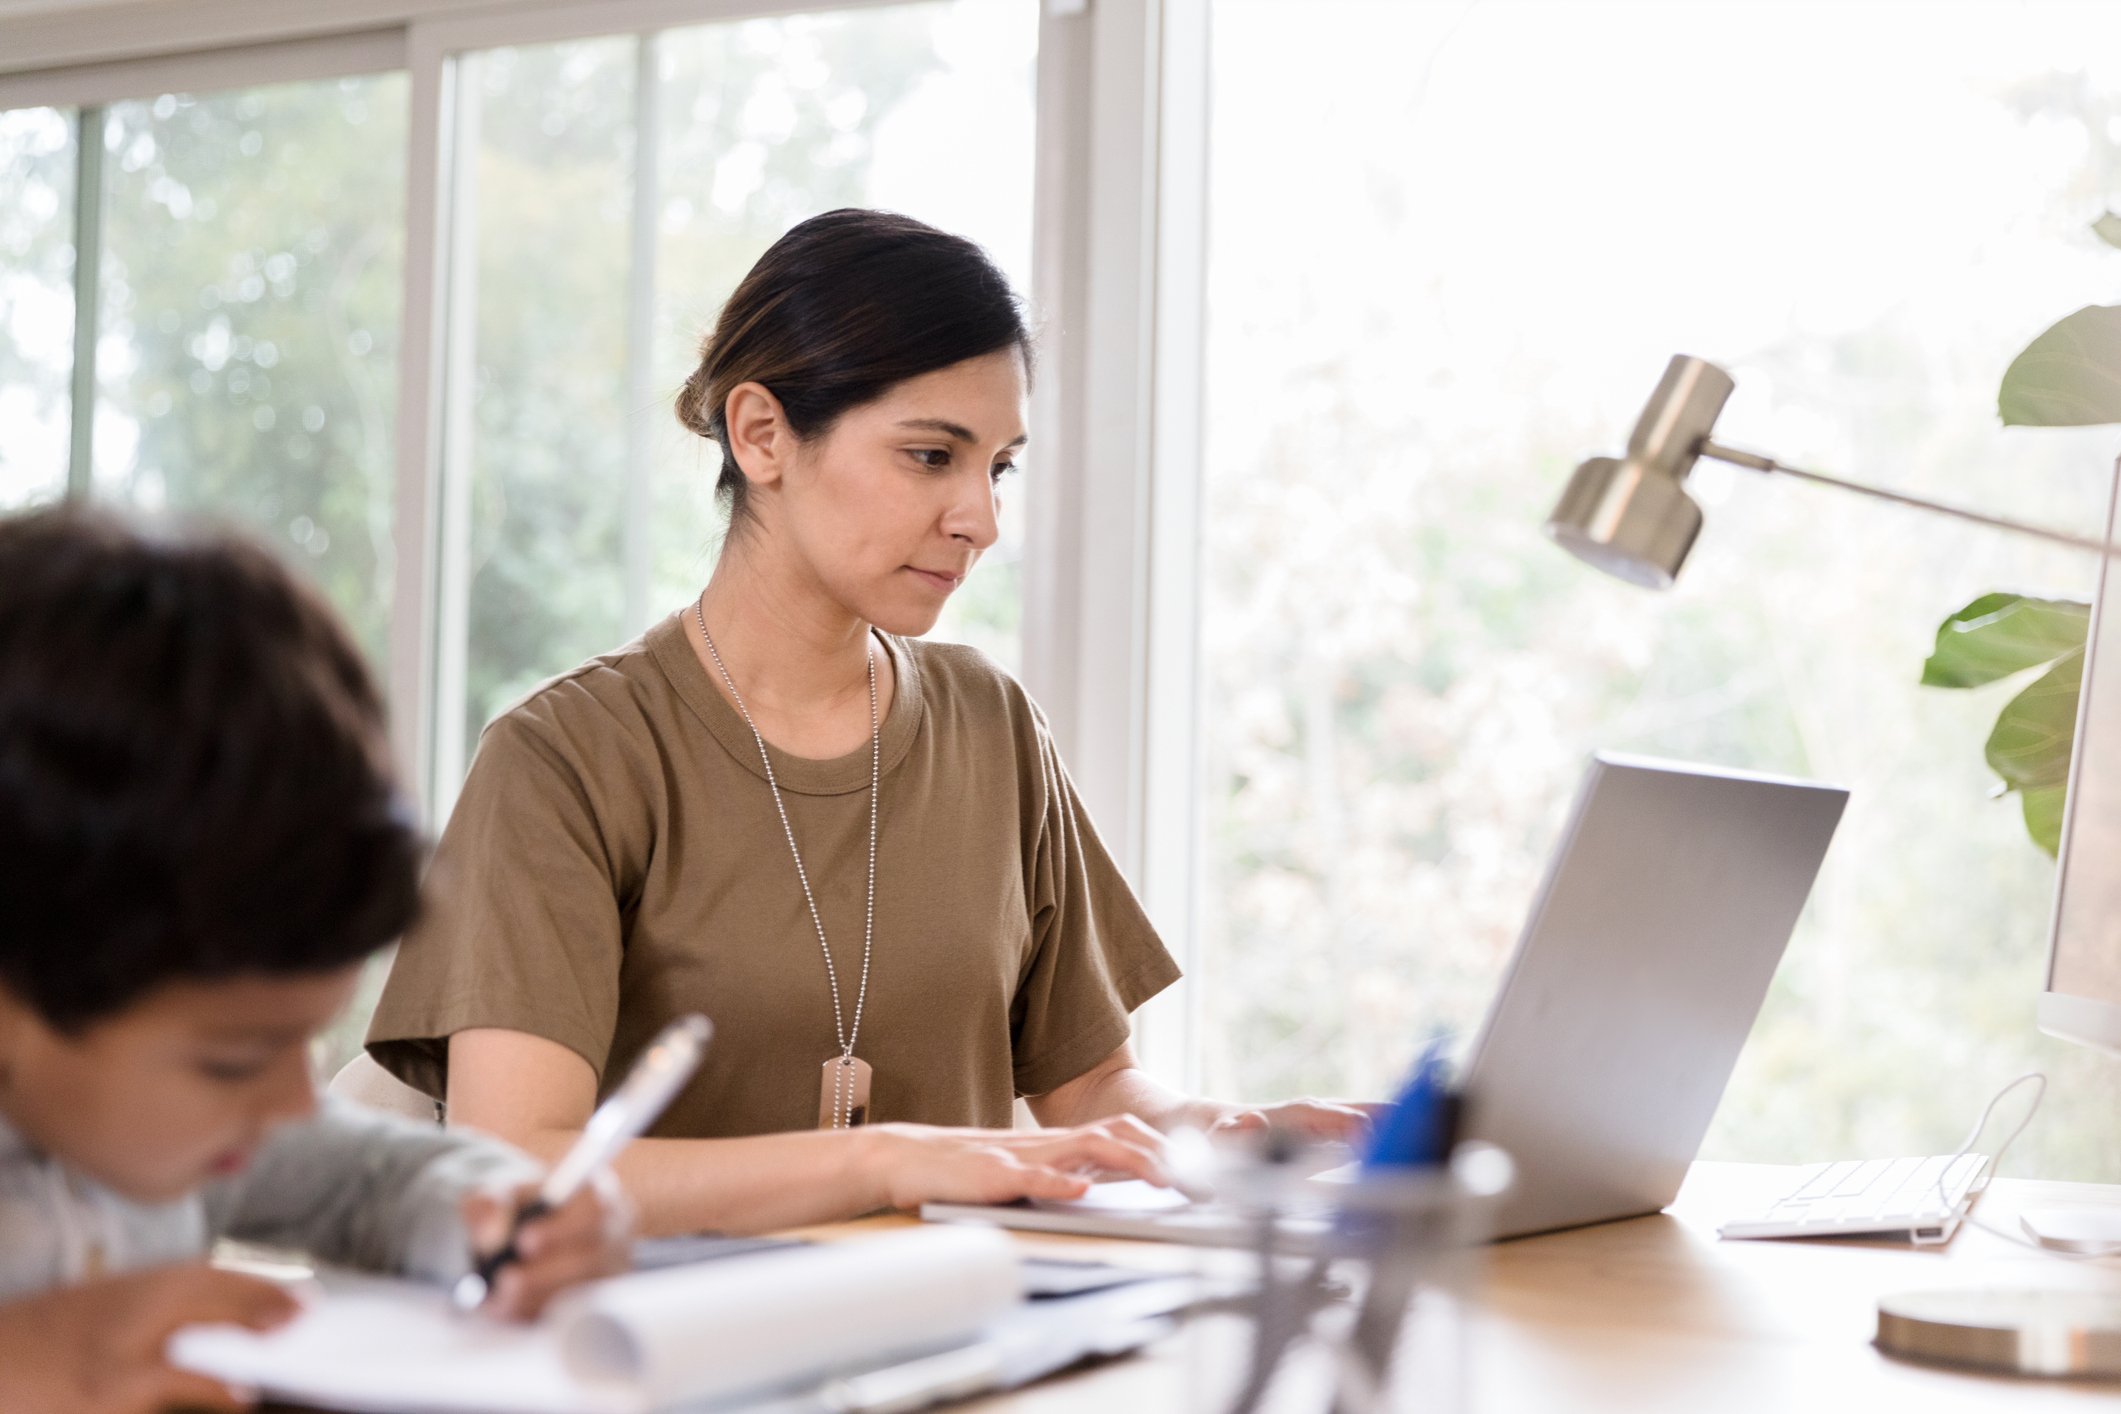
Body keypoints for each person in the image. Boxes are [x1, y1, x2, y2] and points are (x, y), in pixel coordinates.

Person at [367, 209, 1370, 1238]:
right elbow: (518, 1167)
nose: (981, 517)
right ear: (762, 434)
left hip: (976, 1343)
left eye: (1000, 466)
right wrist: (892, 1158)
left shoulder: (994, 726)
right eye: (933, 456)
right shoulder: (567, 757)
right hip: (666, 1361)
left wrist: (1227, 1132)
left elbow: (1093, 1093)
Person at [0, 507, 631, 1414]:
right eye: (234, 1059)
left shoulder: (191, 1122)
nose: (293, 1100)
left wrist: (508, 1215)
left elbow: (369, 1175)